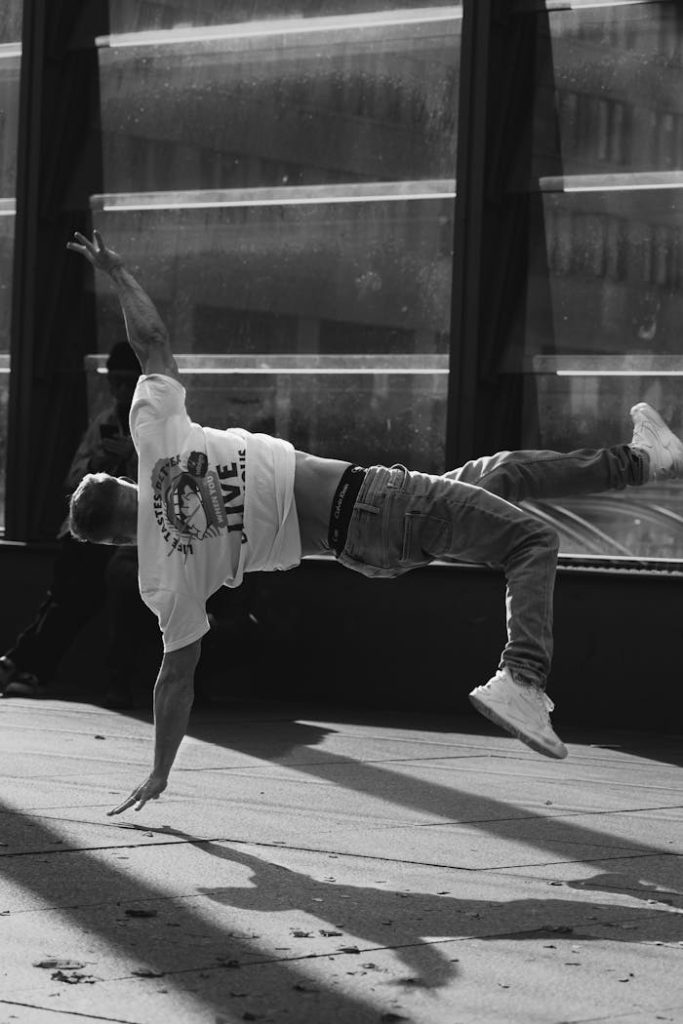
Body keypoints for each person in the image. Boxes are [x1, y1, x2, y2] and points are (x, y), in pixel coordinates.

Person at [65, 230, 683, 816]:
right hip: (376, 504)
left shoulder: (161, 581)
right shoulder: (156, 441)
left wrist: (161, 770)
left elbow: (175, 680)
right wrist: (117, 271)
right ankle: (522, 676)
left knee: (504, 472)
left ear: (110, 539)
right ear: (122, 483)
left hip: (365, 548)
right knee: (532, 538)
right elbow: (152, 342)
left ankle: (643, 460)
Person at [0, 340, 158, 708]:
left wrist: (132, 460)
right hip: (91, 532)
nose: (119, 391)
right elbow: (71, 482)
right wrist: (100, 463)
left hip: (130, 538)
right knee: (67, 591)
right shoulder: (103, 422)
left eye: (126, 382)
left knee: (72, 594)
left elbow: (160, 490)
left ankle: (23, 663)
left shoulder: (154, 426)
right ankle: (25, 664)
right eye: (113, 383)